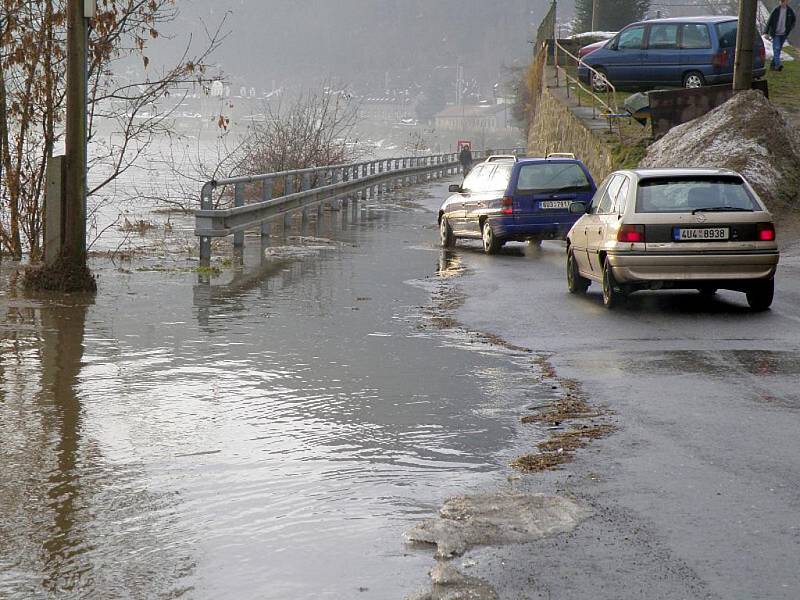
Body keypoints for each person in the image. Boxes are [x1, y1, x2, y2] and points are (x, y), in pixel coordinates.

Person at [765, 0, 796, 71]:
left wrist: (789, 28)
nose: (782, 3)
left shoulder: (790, 11)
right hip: (775, 34)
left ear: (787, 2)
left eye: (783, 1)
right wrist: (766, 32)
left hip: (784, 34)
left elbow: (793, 21)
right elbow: (769, 21)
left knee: (778, 50)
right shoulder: (776, 10)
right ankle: (778, 65)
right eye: (781, 1)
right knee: (777, 48)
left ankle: (773, 66)